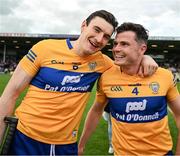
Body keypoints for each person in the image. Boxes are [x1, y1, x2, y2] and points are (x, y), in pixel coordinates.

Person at [0, 10, 158, 155]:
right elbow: (9, 95)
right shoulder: (44, 48)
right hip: (25, 138)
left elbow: (129, 64)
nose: (99, 39)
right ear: (84, 25)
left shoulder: (104, 63)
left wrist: (145, 57)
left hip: (66, 145)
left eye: (106, 36)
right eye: (96, 30)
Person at [78, 22, 180, 155]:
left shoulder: (163, 76)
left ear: (142, 49)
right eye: (115, 43)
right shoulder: (107, 77)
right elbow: (96, 111)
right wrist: (81, 145)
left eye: (124, 44)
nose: (116, 49)